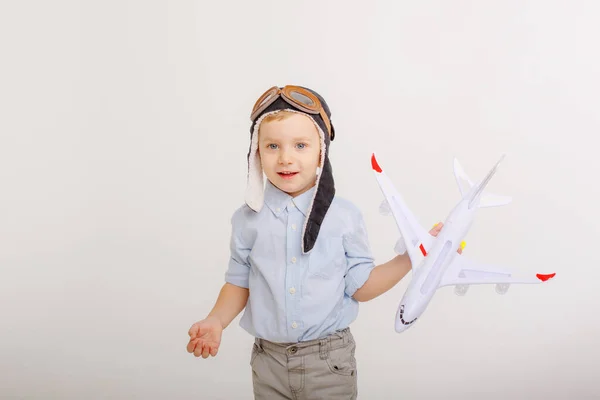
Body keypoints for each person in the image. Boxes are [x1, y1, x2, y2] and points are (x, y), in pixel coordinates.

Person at [186, 85, 458, 399]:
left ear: (321, 151)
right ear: (256, 152)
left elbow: (361, 286)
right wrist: (216, 319)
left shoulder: (343, 217)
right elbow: (238, 284)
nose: (286, 158)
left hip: (328, 362)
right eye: (272, 145)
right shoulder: (246, 220)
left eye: (300, 145)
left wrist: (412, 255)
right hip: (268, 361)